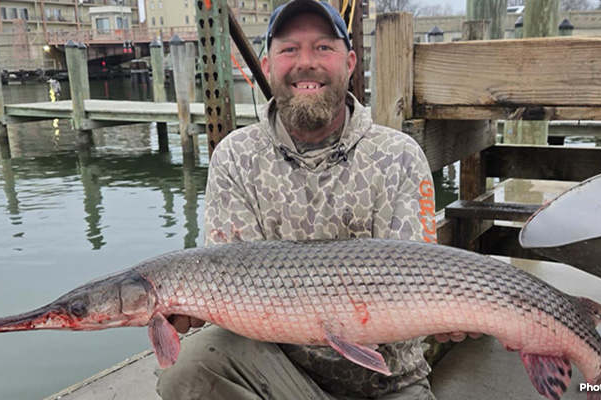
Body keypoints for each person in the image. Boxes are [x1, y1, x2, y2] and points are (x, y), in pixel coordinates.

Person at [156, 1, 468, 398]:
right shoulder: (234, 157)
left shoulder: (400, 154)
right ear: (267, 66)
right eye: (289, 49)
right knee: (190, 365)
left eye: (323, 47)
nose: (306, 62)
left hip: (390, 382)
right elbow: (228, 281)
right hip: (280, 379)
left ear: (350, 62)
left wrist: (449, 313)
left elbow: (419, 273)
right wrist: (199, 306)